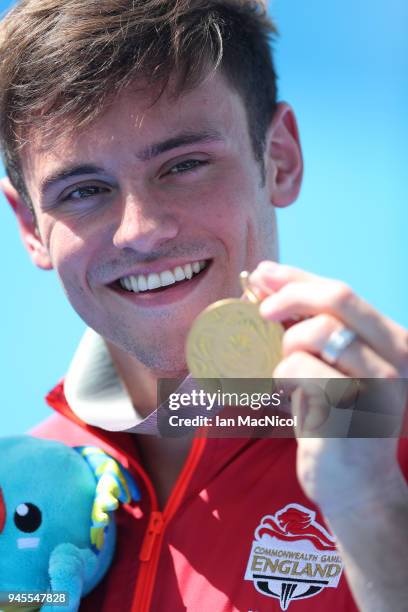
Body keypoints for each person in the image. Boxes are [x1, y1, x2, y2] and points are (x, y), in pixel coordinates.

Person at [0, 1, 407, 610]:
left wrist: (373, 509)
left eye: (184, 164)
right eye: (84, 191)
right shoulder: (22, 490)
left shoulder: (392, 436)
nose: (140, 230)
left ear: (280, 159)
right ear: (31, 225)